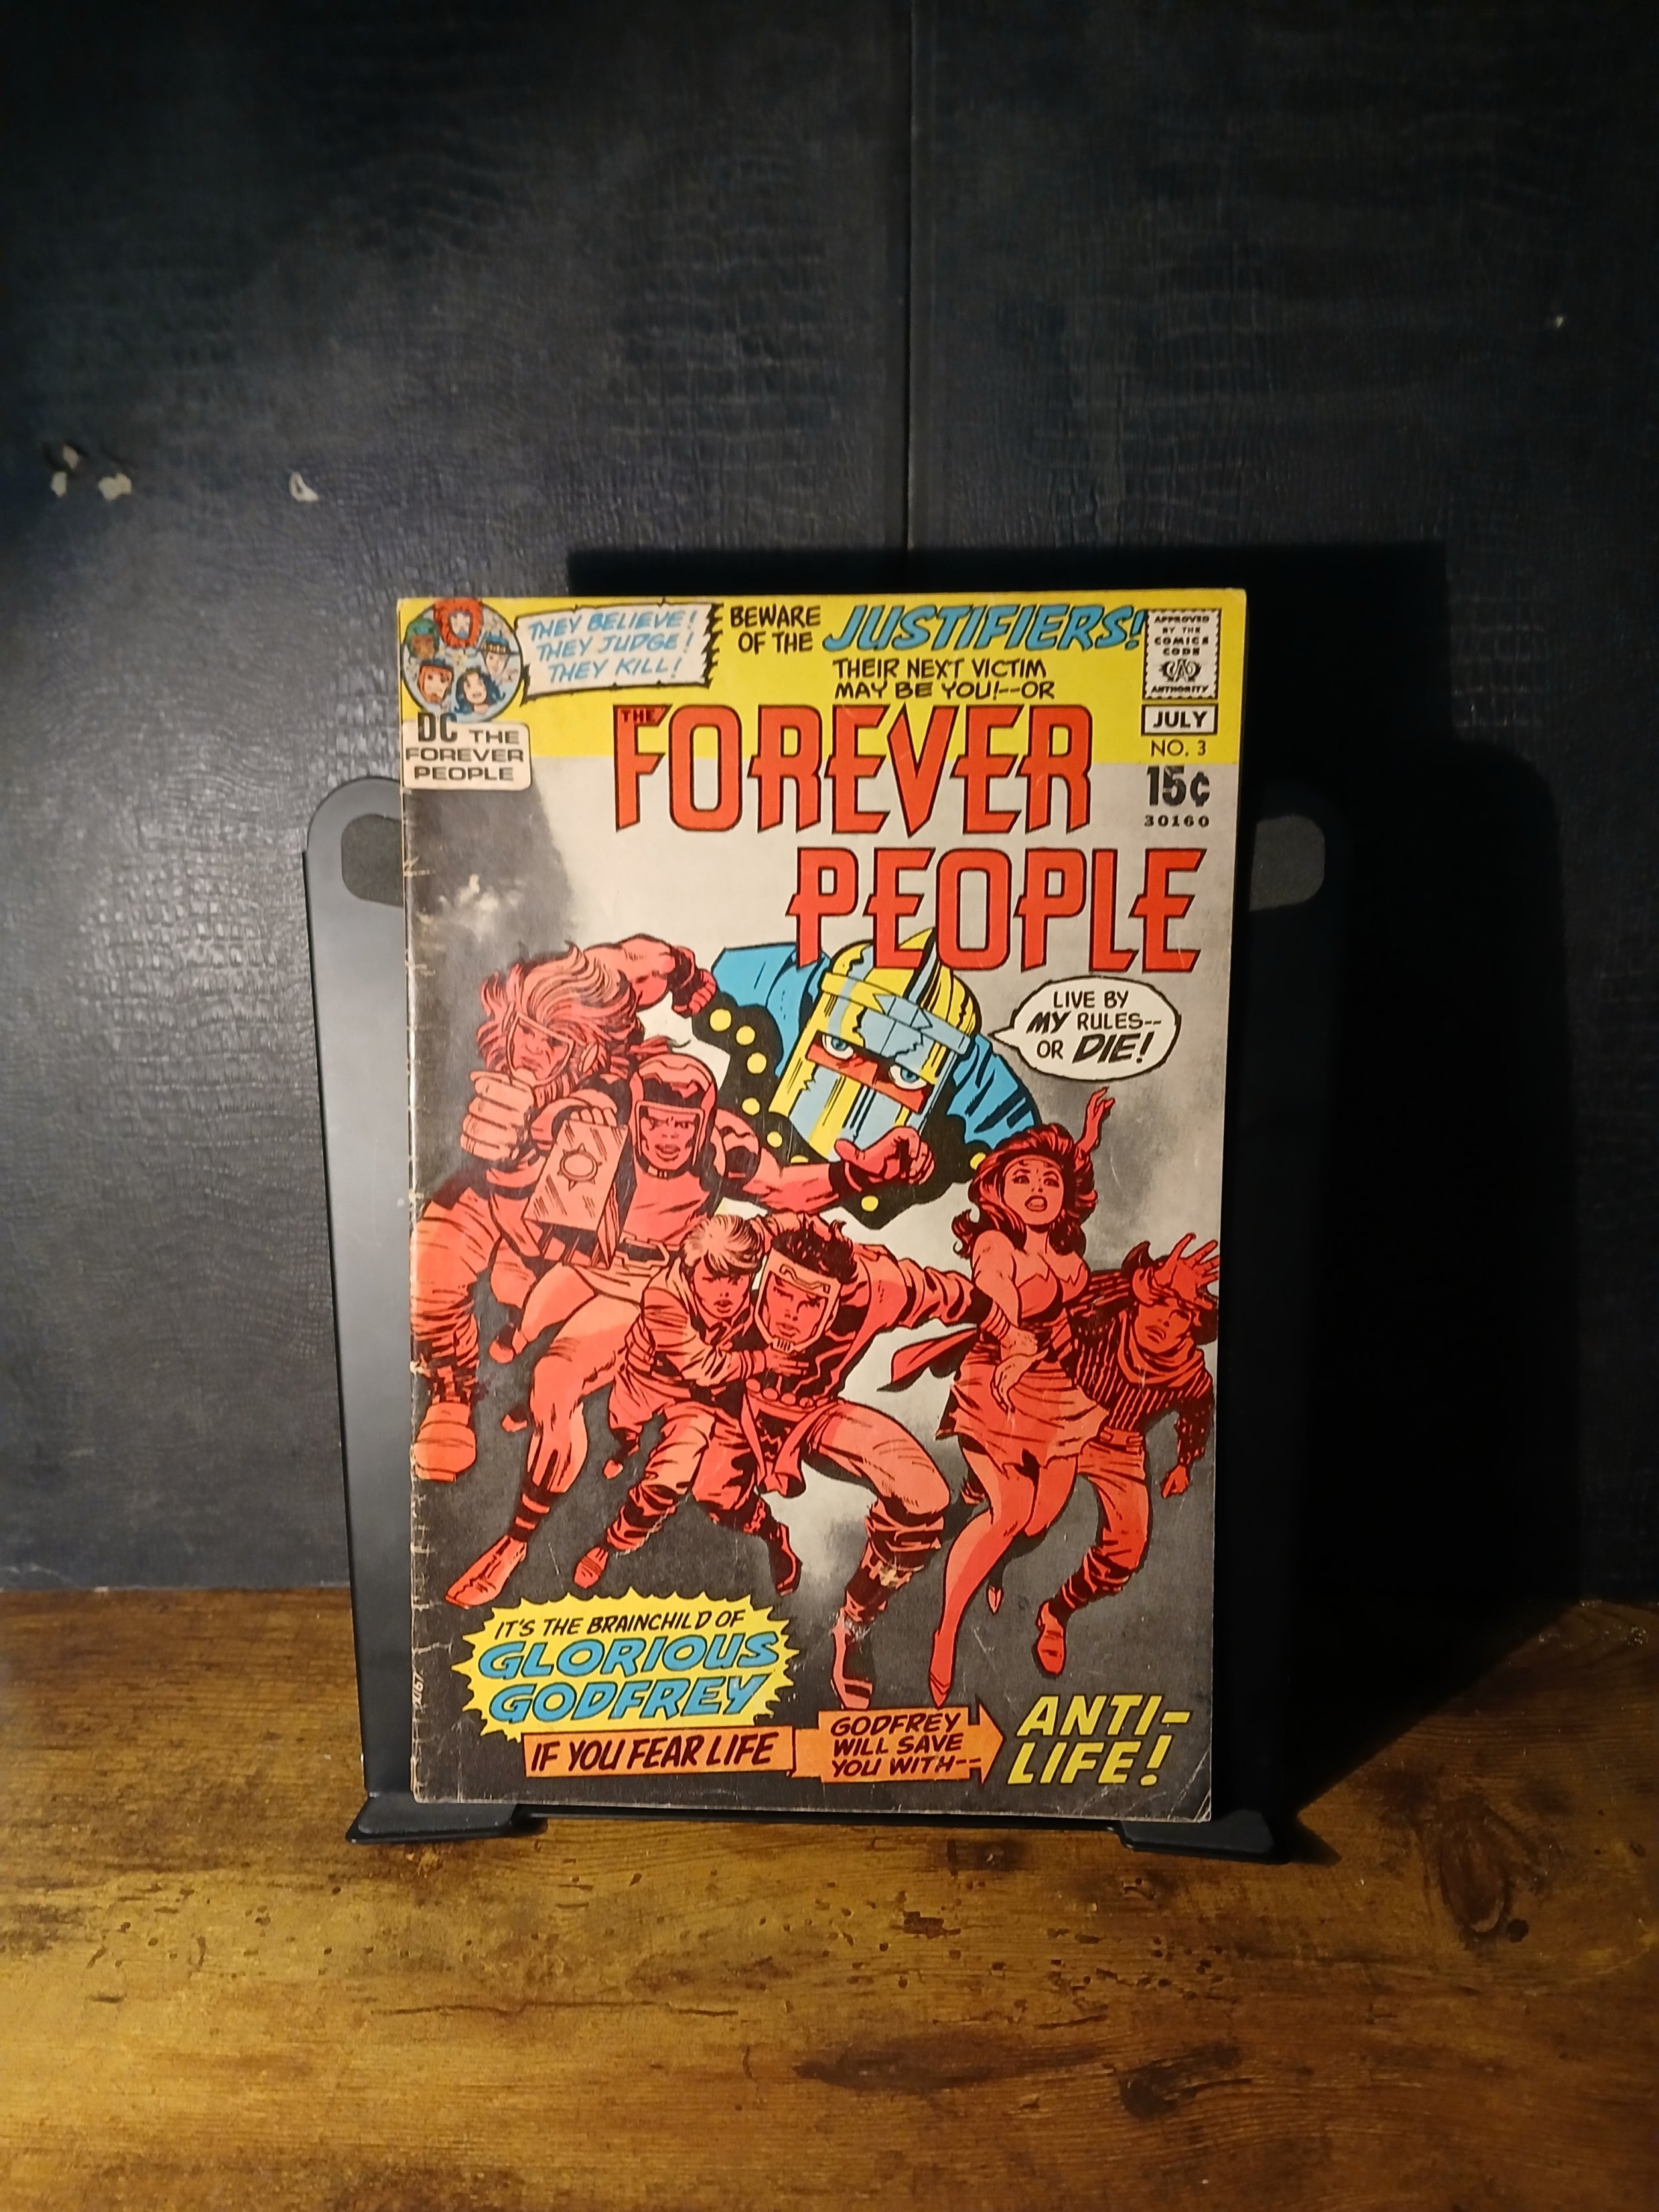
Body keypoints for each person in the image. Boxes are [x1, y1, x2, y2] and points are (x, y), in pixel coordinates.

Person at [443, 1058, 932, 1607]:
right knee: (519, 1318)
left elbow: (783, 1188)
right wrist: (515, 1148)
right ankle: (516, 1396)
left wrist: (861, 1175)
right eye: (655, 1120)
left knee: (557, 1380)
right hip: (584, 1260)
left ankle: (514, 1543)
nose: (668, 1136)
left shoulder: (723, 1148)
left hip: (647, 1286)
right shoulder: (597, 1122)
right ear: (636, 1112)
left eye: (682, 1123)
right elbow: (534, 1180)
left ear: (703, 1121)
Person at [911, 1094, 1217, 1700]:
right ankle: (946, 1630)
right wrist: (1013, 1336)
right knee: (1009, 1513)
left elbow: (1093, 1291)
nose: (1037, 1188)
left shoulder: (1065, 1247)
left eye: (1049, 1181)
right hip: (1001, 1383)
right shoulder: (995, 1244)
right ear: (997, 1188)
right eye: (1021, 1178)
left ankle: (1008, 1564)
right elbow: (995, 1290)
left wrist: (1086, 1140)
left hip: (1062, 1395)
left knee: (1039, 1518)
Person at [626, 1213, 985, 1708]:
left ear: (835, 1300)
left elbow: (947, 1293)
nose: (789, 1315)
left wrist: (1001, 1316)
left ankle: (855, 1624)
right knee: (715, 1493)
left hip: (814, 1415)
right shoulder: (728, 1276)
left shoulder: (876, 1287)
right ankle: (771, 1533)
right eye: (780, 1293)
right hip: (732, 1410)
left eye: (810, 1303)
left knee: (925, 1495)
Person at [410, 936, 716, 1485]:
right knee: (434, 1256)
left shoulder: (605, 1100)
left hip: (565, 1213)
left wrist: (523, 1153)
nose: (530, 1049)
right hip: (499, 1183)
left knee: (523, 1277)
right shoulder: (606, 974)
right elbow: (649, 958)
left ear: (585, 1052)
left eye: (551, 1042)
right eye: (526, 1031)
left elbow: (550, 1237)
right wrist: (686, 974)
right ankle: (451, 1393)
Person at [570, 1213, 802, 1595]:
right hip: (649, 1381)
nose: (726, 1293)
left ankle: (612, 1543)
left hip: (699, 1401)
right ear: (691, 1270)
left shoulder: (746, 1247)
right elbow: (702, 1366)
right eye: (713, 1280)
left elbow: (775, 1225)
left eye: (737, 1281)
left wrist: (812, 1228)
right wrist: (762, 1361)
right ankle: (625, 1448)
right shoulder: (663, 1297)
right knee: (621, 1428)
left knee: (670, 1480)